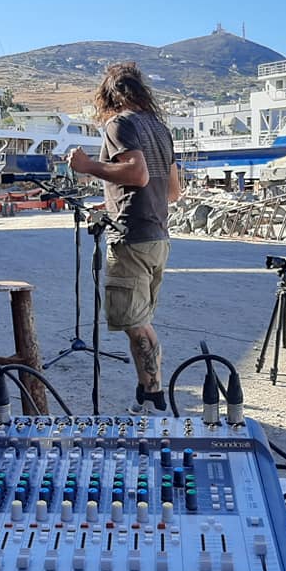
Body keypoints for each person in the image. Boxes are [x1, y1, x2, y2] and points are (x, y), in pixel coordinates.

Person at [67, 62, 182, 414]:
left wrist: (88, 166)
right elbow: (172, 191)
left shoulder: (120, 123)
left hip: (132, 238)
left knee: (136, 324)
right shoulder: (159, 129)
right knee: (140, 320)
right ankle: (146, 394)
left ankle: (154, 397)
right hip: (157, 237)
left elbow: (137, 174)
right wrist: (112, 201)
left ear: (109, 96)